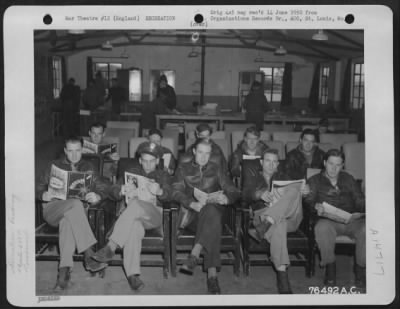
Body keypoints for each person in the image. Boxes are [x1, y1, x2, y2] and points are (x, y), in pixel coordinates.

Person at [91, 142, 172, 292]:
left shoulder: (163, 175)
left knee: (135, 205)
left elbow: (170, 195)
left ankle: (111, 246)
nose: (148, 165)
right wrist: (121, 190)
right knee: (134, 227)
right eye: (145, 161)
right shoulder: (131, 172)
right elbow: (112, 191)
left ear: (157, 161)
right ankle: (133, 274)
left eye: (152, 161)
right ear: (140, 160)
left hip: (154, 216)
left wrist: (160, 191)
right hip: (134, 217)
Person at [35, 136, 110, 289]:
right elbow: (38, 187)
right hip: (53, 210)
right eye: (70, 151)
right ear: (65, 151)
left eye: (77, 151)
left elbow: (104, 188)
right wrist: (42, 194)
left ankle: (63, 273)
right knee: (75, 204)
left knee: (68, 222)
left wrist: (97, 196)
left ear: (82, 150)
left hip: (74, 215)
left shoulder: (89, 167)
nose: (74, 155)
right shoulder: (54, 165)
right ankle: (89, 253)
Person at [172, 139, 240, 294]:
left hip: (211, 214)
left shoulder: (216, 169)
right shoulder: (183, 168)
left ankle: (195, 253)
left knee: (211, 211)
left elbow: (233, 190)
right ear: (194, 152)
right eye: (200, 152)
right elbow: (175, 191)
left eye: (207, 153)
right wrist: (191, 203)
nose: (203, 156)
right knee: (213, 221)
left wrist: (227, 198)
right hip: (191, 216)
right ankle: (212, 276)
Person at [242, 148, 310, 294]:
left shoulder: (286, 177)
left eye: (274, 162)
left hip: (289, 217)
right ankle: (283, 276)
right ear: (261, 162)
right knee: (279, 224)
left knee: (293, 190)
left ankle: (269, 221)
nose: (271, 165)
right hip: (264, 216)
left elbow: (300, 199)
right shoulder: (253, 178)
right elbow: (243, 195)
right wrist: (259, 194)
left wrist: (305, 193)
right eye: (267, 161)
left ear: (278, 164)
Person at [305, 149, 366, 289]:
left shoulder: (348, 179)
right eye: (331, 163)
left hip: (351, 220)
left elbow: (359, 201)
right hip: (329, 221)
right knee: (322, 228)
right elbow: (308, 201)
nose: (334, 168)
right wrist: (315, 207)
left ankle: (360, 270)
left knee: (365, 229)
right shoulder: (314, 180)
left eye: (338, 165)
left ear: (342, 165)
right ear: (325, 163)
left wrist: (368, 205)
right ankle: (330, 269)